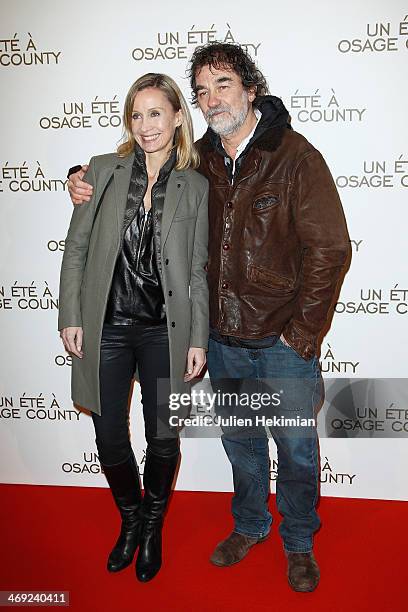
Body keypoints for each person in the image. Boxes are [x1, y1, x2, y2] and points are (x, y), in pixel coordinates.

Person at [67, 43, 350, 592]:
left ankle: (297, 541)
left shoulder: (295, 156)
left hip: (281, 338)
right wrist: (78, 176)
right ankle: (249, 525)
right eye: (201, 90)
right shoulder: (199, 160)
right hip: (219, 336)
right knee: (241, 444)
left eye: (223, 84)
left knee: (295, 448)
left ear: (251, 89)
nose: (211, 98)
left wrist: (302, 333)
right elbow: (134, 168)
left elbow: (331, 249)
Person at [59, 72, 209, 583]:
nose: (145, 126)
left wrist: (197, 337)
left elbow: (196, 270)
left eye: (156, 113)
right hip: (108, 326)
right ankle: (130, 520)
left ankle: (152, 527)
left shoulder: (197, 185)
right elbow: (76, 249)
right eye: (136, 114)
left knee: (164, 438)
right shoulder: (100, 171)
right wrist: (71, 316)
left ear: (176, 117)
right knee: (108, 434)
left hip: (165, 331)